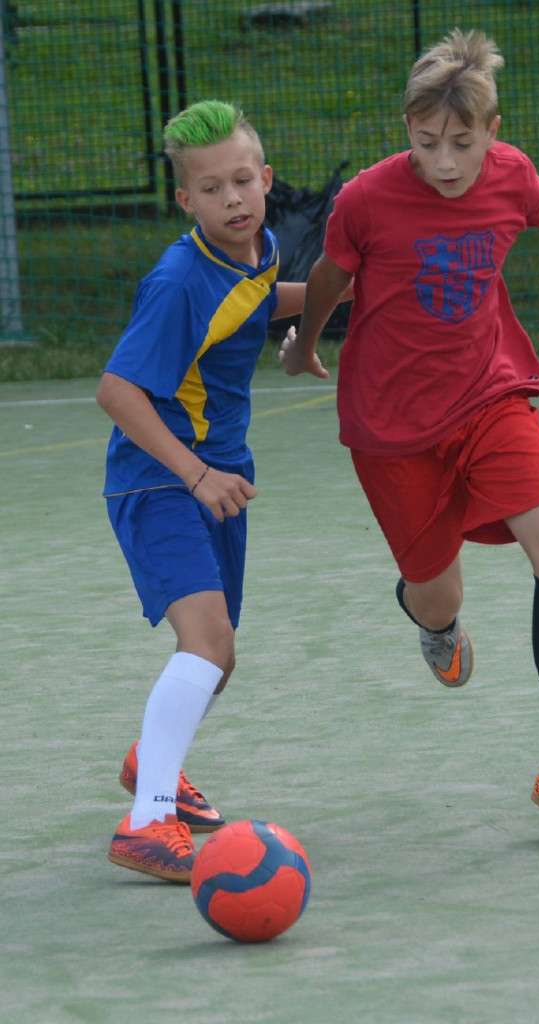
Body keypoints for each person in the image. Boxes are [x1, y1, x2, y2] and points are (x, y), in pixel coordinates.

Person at [280, 29, 539, 839]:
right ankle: (432, 622)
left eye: (462, 144)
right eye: (427, 141)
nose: (444, 161)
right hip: (391, 426)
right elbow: (333, 273)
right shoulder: (367, 199)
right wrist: (308, 342)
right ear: (407, 129)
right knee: (437, 592)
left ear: (492, 133)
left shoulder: (511, 178)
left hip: (489, 397)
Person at [97, 100, 349, 882]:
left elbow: (256, 302)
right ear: (186, 202)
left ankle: (154, 766)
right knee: (207, 645)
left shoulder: (262, 248)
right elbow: (116, 392)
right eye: (211, 189)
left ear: (266, 180)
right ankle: (145, 828)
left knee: (217, 656)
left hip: (220, 477)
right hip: (163, 480)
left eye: (243, 180)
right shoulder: (176, 282)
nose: (232, 199)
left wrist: (340, 292)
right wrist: (196, 474)